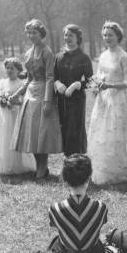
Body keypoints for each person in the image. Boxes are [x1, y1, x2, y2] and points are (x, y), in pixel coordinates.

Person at [88, 21, 127, 185]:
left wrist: (109, 86)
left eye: (110, 35)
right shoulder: (103, 55)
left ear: (118, 36)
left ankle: (121, 167)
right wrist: (97, 85)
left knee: (118, 134)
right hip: (104, 99)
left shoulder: (123, 56)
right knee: (102, 132)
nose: (107, 38)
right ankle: (103, 167)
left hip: (120, 99)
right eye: (105, 35)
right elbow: (99, 74)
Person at [10, 19, 62, 180]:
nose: (32, 36)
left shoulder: (47, 52)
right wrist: (17, 94)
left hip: (42, 94)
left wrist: (47, 101)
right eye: (29, 33)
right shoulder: (27, 53)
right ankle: (39, 166)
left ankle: (43, 167)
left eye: (35, 33)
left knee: (42, 133)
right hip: (29, 95)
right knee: (31, 133)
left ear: (41, 34)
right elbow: (28, 78)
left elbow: (50, 77)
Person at [38, 154, 109, 253]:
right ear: (89, 178)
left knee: (56, 240)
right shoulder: (101, 207)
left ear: (65, 178)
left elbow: (55, 226)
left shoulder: (55, 209)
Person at [0, 58, 35, 175]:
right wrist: (1, 100)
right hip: (3, 115)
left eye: (12, 68)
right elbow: (0, 96)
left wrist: (14, 102)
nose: (9, 70)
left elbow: (23, 101)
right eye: (7, 68)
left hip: (15, 114)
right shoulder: (2, 82)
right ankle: (3, 164)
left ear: (18, 70)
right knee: (2, 138)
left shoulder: (21, 84)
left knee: (13, 139)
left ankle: (17, 165)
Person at [54, 24, 94, 156]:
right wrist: (57, 83)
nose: (67, 38)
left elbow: (90, 80)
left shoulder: (84, 58)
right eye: (66, 35)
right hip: (61, 99)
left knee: (75, 129)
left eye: (71, 35)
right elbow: (53, 77)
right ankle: (67, 161)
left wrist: (77, 84)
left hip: (77, 100)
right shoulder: (59, 57)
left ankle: (77, 160)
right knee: (63, 128)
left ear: (78, 38)